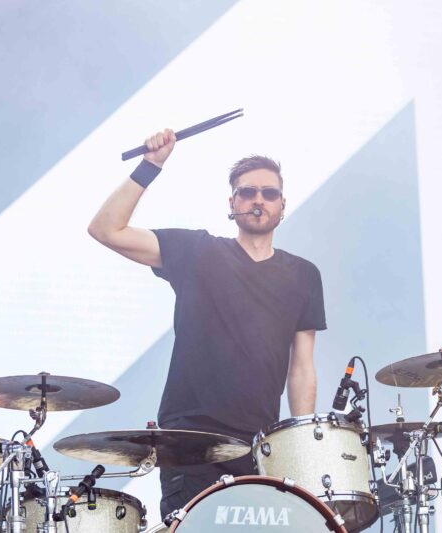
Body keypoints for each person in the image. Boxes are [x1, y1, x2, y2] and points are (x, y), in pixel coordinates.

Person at [87, 129, 326, 518]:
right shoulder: (197, 250)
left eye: (269, 193)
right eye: (248, 192)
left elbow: (301, 368)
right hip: (190, 439)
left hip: (259, 445)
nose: (258, 199)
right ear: (232, 203)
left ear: (283, 204)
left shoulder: (303, 275)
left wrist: (299, 445)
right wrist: (151, 165)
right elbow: (105, 229)